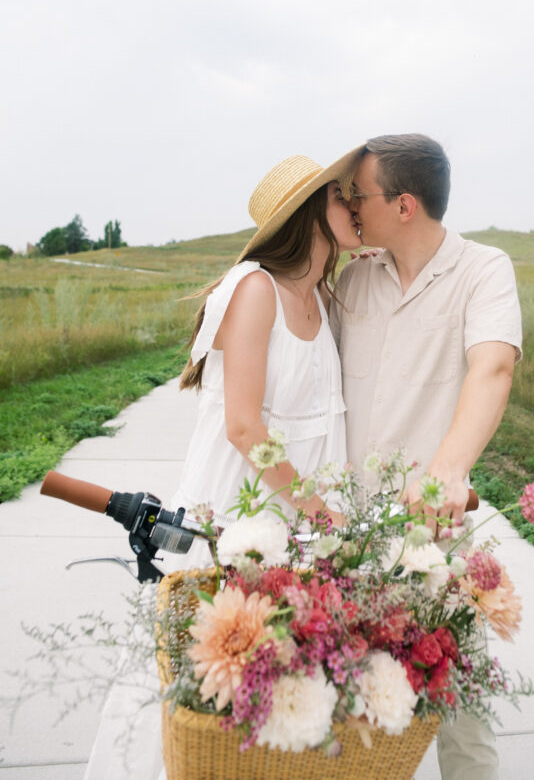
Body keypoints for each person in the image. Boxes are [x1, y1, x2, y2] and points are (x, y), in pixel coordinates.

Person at [84, 147, 362, 780]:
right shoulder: (256, 288)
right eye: (341, 196)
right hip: (239, 510)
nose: (353, 205)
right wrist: (319, 508)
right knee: (209, 670)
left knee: (282, 673)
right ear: (308, 212)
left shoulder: (320, 295)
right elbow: (243, 425)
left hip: (296, 521)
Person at [329, 133, 522, 780]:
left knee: (459, 713)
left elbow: (491, 367)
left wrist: (446, 470)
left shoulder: (482, 269)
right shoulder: (353, 277)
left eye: (359, 195)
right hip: (345, 539)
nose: (351, 207)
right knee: (357, 717)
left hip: (433, 535)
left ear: (403, 204)